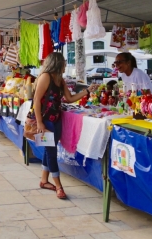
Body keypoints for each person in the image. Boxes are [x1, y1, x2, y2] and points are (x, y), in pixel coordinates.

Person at [33, 53, 90, 199]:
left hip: (56, 120)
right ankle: (59, 186)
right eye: (64, 63)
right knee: (51, 153)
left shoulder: (60, 80)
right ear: (57, 63)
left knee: (49, 150)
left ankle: (44, 181)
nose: (65, 65)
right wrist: (39, 122)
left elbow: (69, 99)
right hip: (46, 121)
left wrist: (87, 92)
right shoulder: (46, 77)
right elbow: (37, 100)